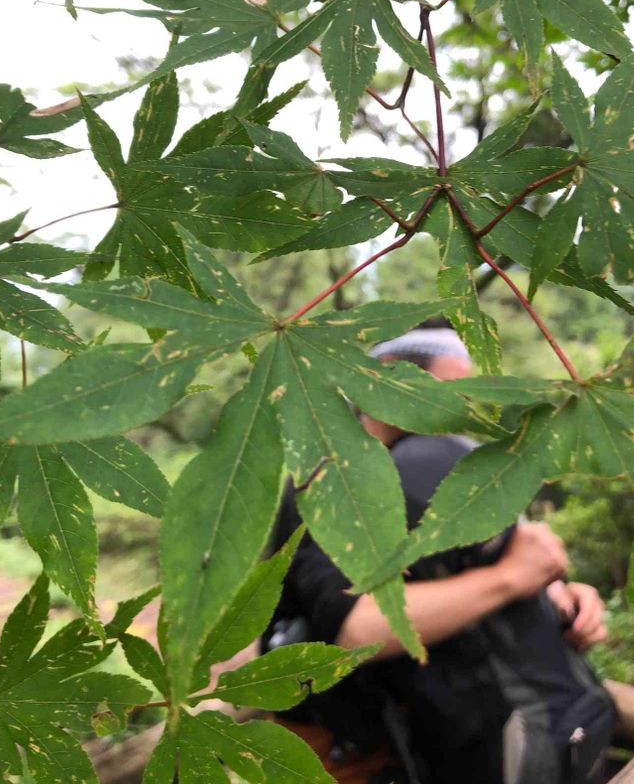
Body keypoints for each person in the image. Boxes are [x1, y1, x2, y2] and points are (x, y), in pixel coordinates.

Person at [264, 324, 615, 784]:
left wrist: (559, 596)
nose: (459, 410)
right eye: (448, 391)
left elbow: (482, 566)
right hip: (349, 742)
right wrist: (510, 579)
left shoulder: (433, 467)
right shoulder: (328, 479)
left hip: (434, 727)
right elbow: (357, 630)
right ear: (385, 375)